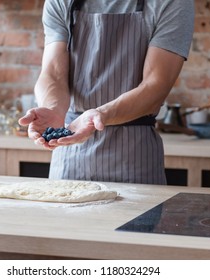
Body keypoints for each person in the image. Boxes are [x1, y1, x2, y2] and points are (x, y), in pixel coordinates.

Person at [19, 0, 194, 184]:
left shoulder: (172, 2)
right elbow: (53, 73)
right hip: (69, 156)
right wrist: (53, 108)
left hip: (135, 161)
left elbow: (156, 86)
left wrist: (101, 115)